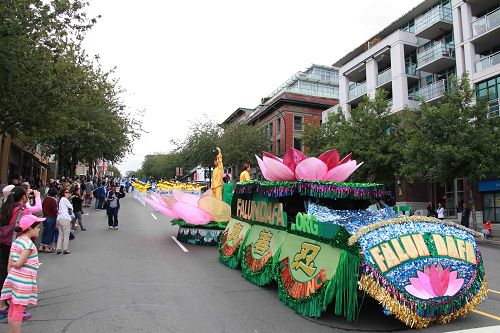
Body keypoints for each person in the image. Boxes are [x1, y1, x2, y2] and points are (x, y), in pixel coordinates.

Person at [0, 186, 41, 320]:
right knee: (16, 275)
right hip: (16, 245)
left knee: (3, 276)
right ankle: (15, 308)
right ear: (23, 197)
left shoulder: (4, 207)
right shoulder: (24, 210)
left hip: (2, 243)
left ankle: (2, 307)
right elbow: (36, 212)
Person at [0, 214, 42, 333]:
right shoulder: (28, 245)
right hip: (23, 281)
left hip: (13, 278)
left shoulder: (17, 240)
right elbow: (18, 263)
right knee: (18, 310)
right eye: (37, 227)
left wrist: (11, 274)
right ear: (29, 228)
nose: (39, 230)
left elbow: (10, 261)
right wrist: (17, 264)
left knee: (13, 308)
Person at [39, 187, 58, 253]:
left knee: (45, 231)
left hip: (45, 216)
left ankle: (41, 246)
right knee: (50, 232)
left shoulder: (45, 199)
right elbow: (55, 210)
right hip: (51, 217)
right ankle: (47, 247)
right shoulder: (53, 200)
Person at [56, 189, 73, 254]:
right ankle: (65, 249)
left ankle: (58, 248)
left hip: (59, 217)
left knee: (60, 234)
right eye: (66, 192)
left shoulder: (61, 200)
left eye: (68, 192)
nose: (68, 193)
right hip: (65, 217)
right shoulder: (65, 200)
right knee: (66, 234)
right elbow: (71, 207)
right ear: (63, 193)